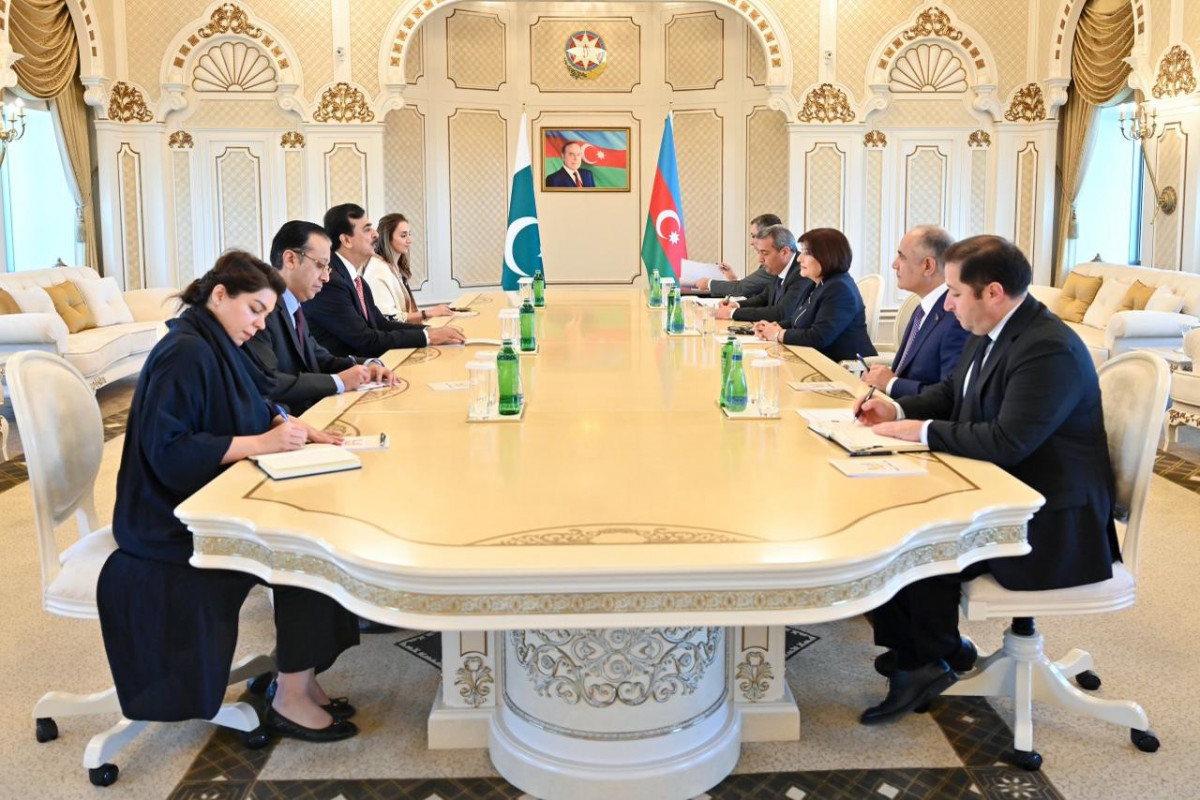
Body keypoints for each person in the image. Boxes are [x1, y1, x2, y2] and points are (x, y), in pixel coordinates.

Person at [853, 235, 1119, 725]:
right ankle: (929, 648)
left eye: (955, 292)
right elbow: (952, 393)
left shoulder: (1048, 348)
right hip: (1008, 490)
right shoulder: (989, 327)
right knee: (889, 518)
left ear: (992, 292)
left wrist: (921, 431)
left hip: (1053, 521)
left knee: (919, 541)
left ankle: (924, 662)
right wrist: (896, 409)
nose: (947, 303)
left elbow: (1006, 442)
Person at [96, 251, 361, 742]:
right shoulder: (185, 352)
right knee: (304, 547)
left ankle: (301, 680)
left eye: (266, 314)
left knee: (319, 526)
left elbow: (249, 402)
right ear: (219, 295)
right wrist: (262, 443)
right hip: (168, 521)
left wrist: (289, 425)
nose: (260, 324)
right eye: (255, 310)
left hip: (209, 496)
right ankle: (290, 696)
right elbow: (169, 451)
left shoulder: (216, 340)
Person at [242, 220, 398, 416]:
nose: (326, 277)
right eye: (320, 265)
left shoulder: (294, 305)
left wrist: (367, 366)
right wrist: (339, 382)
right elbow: (270, 381)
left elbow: (320, 359)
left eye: (328, 268)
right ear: (290, 259)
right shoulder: (261, 311)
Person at [303, 204, 465, 358]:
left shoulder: (357, 281)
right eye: (367, 230)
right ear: (346, 240)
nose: (376, 234)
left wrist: (430, 331)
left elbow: (381, 324)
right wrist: (427, 337)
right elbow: (365, 340)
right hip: (347, 371)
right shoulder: (331, 282)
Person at [862, 226, 968, 398]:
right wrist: (879, 380)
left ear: (928, 266)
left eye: (901, 257)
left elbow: (950, 396)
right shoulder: (923, 308)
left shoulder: (956, 317)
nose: (894, 264)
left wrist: (891, 384)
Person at [753, 228, 876, 362]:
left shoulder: (839, 288)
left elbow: (818, 338)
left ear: (827, 255)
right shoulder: (820, 283)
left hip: (846, 369)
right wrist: (773, 327)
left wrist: (778, 334)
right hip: (818, 362)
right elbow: (798, 320)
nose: (799, 258)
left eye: (806, 253)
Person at [363, 213, 454, 323]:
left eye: (409, 234)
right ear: (387, 238)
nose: (409, 240)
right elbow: (387, 318)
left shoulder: (393, 267)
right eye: (403, 236)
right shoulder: (378, 270)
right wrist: (429, 313)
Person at [714, 224, 814, 323]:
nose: (760, 259)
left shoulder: (801, 272)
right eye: (759, 252)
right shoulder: (778, 267)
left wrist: (732, 313)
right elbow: (763, 298)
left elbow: (782, 312)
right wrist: (736, 305)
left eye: (765, 253)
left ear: (784, 252)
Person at [693, 213, 780, 296]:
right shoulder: (767, 263)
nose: (751, 242)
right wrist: (733, 279)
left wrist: (708, 284)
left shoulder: (774, 264)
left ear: (767, 236)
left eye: (754, 236)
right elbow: (753, 291)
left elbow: (742, 288)